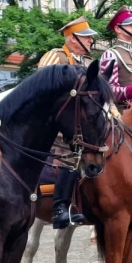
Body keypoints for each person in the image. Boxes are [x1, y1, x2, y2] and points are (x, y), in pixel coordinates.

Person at [35, 16, 100, 231]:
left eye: (91, 38)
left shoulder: (88, 64)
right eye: (86, 38)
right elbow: (41, 89)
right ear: (73, 39)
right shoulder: (56, 56)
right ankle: (60, 208)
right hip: (53, 123)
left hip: (79, 124)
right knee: (69, 156)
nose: (91, 42)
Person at [99, 8, 132, 113]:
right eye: (129, 24)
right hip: (123, 117)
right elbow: (107, 91)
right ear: (118, 29)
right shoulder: (110, 55)